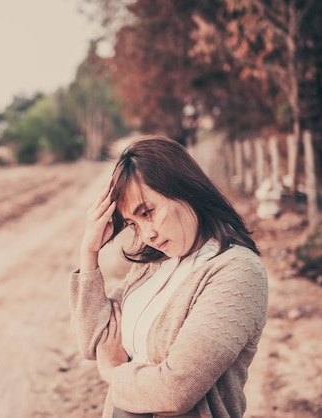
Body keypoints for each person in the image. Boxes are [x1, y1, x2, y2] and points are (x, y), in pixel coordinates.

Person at [69, 135, 268, 418]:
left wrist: (112, 371)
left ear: (185, 188)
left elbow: (176, 391)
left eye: (147, 212)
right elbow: (92, 340)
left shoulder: (237, 272)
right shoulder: (152, 266)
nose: (147, 234)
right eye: (133, 224)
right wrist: (89, 253)